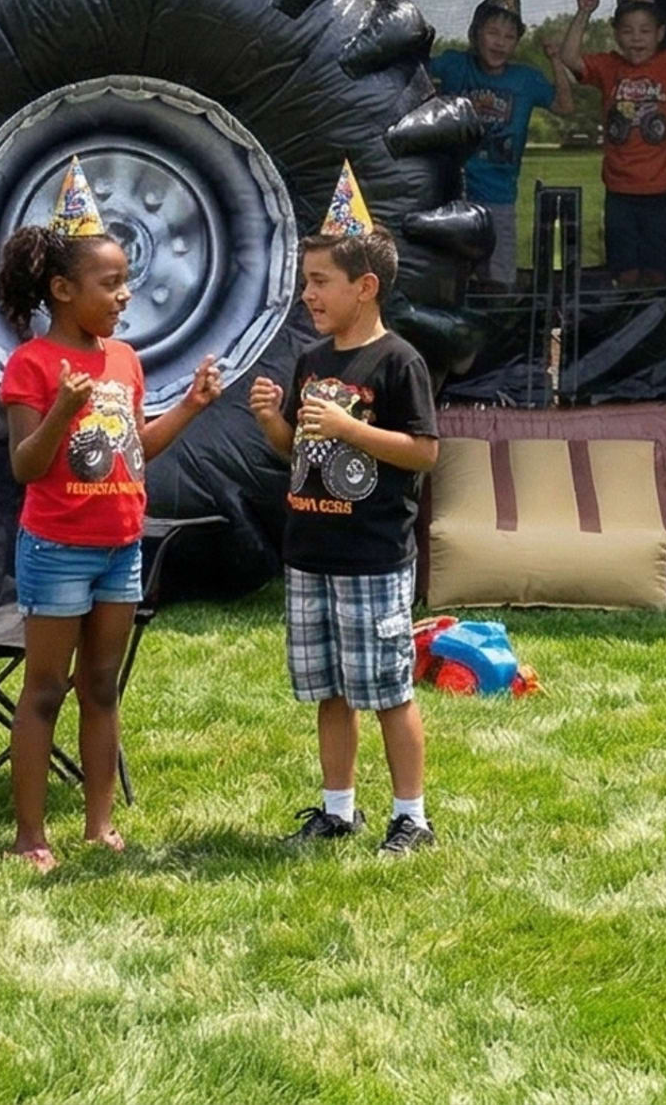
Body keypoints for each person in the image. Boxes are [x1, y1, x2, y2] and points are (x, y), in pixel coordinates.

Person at [0, 183, 230, 872]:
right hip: (57, 548)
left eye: (127, 281)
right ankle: (30, 835)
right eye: (112, 283)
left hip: (120, 547)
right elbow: (25, 465)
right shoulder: (32, 365)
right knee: (45, 689)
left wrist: (190, 406)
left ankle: (98, 824)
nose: (126, 295)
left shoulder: (124, 361)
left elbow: (135, 450)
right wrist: (62, 412)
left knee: (101, 686)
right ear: (63, 290)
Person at [247, 181, 442, 853]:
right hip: (311, 552)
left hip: (372, 557)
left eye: (320, 281)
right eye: (306, 281)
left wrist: (349, 428)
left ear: (366, 288)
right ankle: (338, 811)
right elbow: (300, 450)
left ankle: (412, 817)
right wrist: (272, 422)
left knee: (387, 690)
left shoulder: (399, 361)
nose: (308, 294)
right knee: (329, 690)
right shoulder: (311, 360)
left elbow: (424, 452)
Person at [548, 0, 666, 285]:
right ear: (616, 35)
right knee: (624, 270)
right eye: (627, 31)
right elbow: (570, 57)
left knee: (659, 270)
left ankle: (654, 310)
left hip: (663, 190)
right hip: (620, 191)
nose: (636, 38)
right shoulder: (608, 66)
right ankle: (626, 308)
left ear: (660, 34)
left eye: (645, 31)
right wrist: (584, 13)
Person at [429, 0, 568, 285]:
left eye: (509, 36)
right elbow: (411, 71)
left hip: (500, 196)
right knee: (452, 275)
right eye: (492, 32)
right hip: (454, 193)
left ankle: (499, 311)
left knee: (499, 277)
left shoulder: (526, 79)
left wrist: (556, 61)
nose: (499, 42)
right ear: (476, 33)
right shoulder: (454, 65)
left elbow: (564, 105)